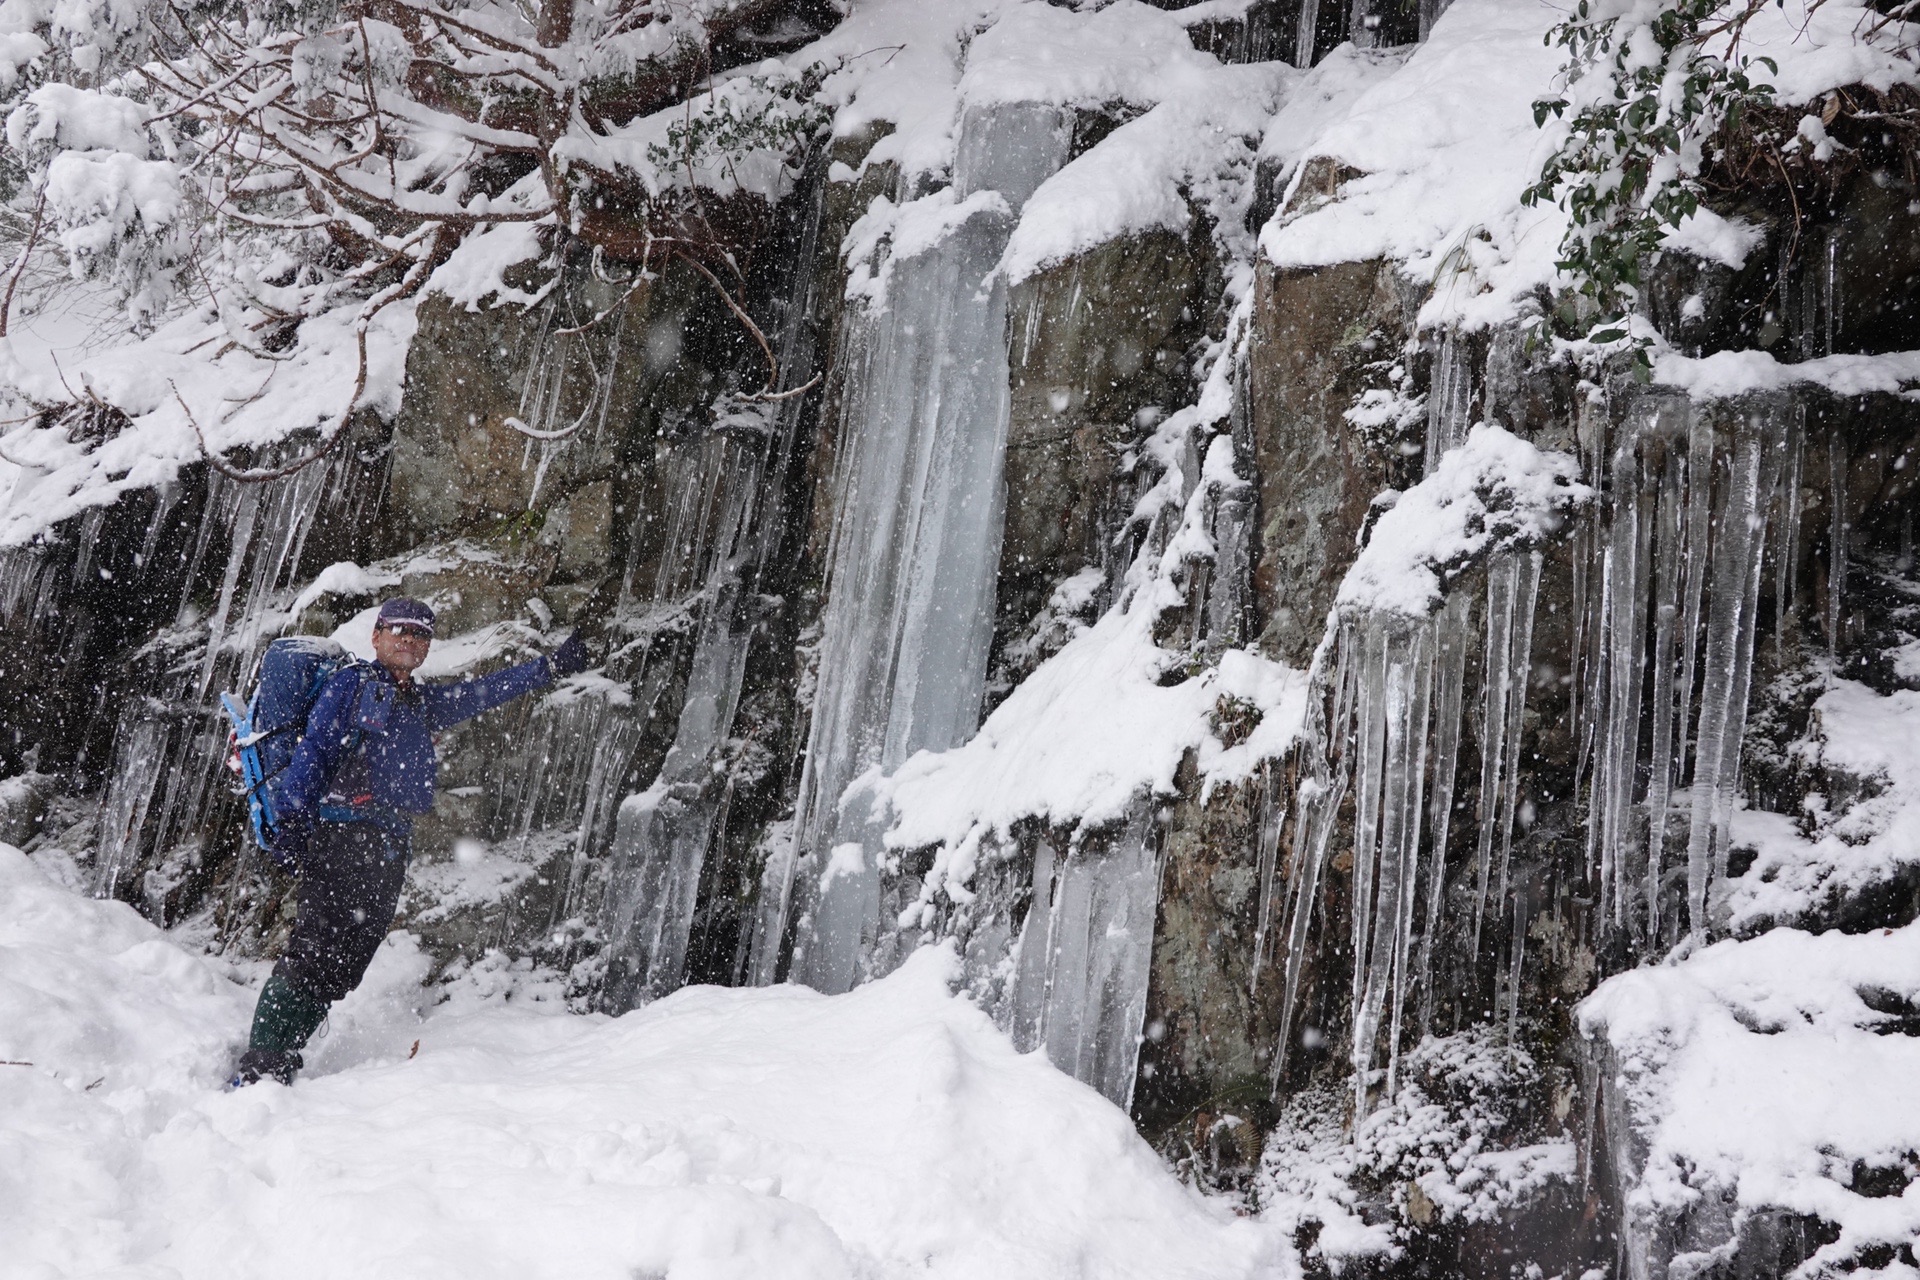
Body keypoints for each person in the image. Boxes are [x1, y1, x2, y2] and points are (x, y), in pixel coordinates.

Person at [231, 598, 592, 1086]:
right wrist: (294, 822)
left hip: (388, 842)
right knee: (315, 950)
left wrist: (549, 667)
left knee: (346, 960)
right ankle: (262, 1066)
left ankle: (283, 1055)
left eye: (419, 634)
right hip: (342, 832)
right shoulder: (351, 684)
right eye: (398, 630)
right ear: (376, 636)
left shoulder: (419, 702)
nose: (408, 639)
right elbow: (314, 753)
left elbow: (483, 692)